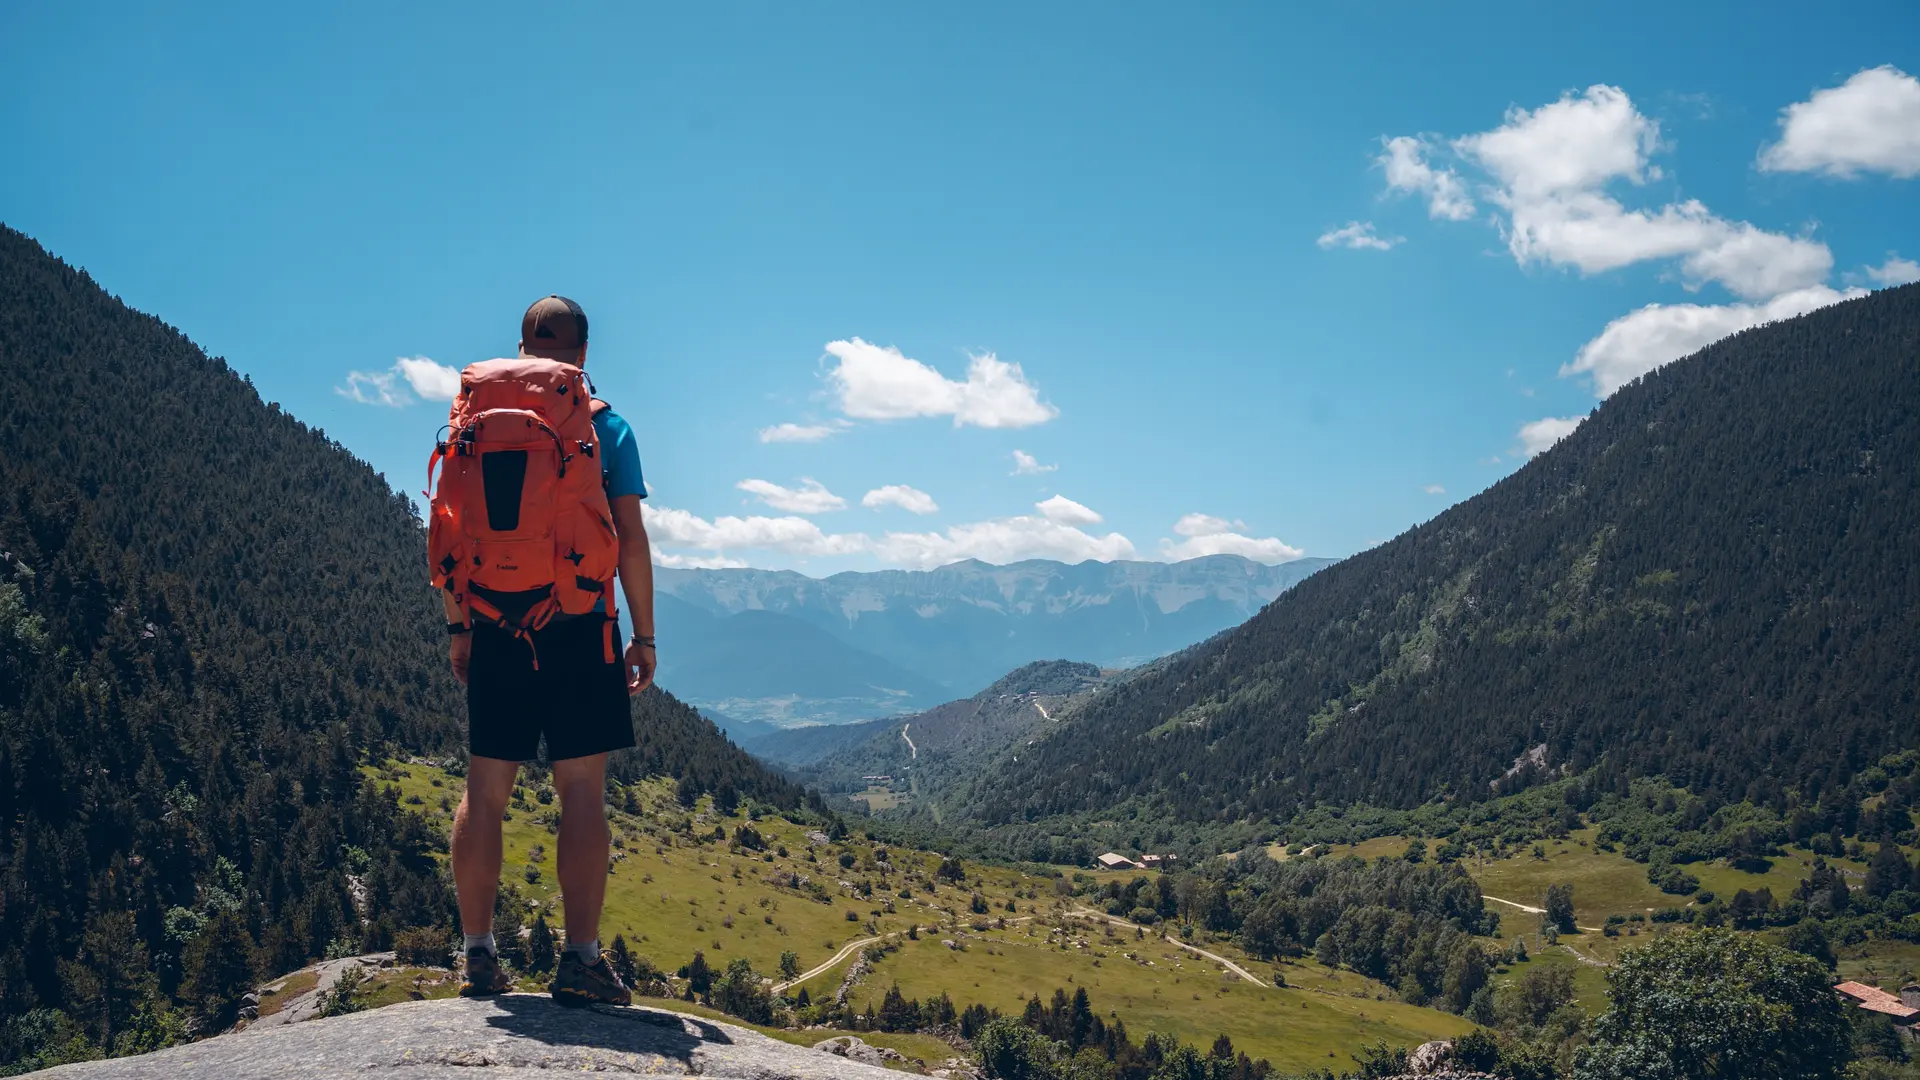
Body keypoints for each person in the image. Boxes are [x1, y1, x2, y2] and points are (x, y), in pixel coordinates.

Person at [443, 295, 656, 1006]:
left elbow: (450, 528)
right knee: (582, 791)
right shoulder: (605, 426)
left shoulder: (472, 419)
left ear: (523, 346)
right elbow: (629, 536)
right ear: (583, 354)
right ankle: (581, 961)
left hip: (496, 623)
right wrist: (645, 636)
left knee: (485, 792)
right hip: (579, 622)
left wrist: (459, 625)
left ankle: (477, 955)